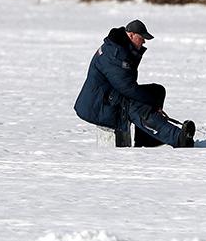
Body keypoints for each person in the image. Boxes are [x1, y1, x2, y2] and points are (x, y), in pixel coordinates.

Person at [73, 19, 195, 148]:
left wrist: (151, 100)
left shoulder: (120, 46)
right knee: (135, 105)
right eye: (141, 38)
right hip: (98, 106)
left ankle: (148, 138)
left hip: (109, 96)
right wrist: (150, 102)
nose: (144, 42)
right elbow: (127, 88)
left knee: (156, 91)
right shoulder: (115, 53)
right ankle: (177, 138)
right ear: (131, 35)